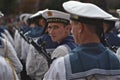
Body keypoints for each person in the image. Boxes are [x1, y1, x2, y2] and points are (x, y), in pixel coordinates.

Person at [43, 1, 120, 80]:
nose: (72, 32)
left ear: (80, 27)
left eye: (72, 26)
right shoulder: (117, 61)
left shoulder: (62, 66)